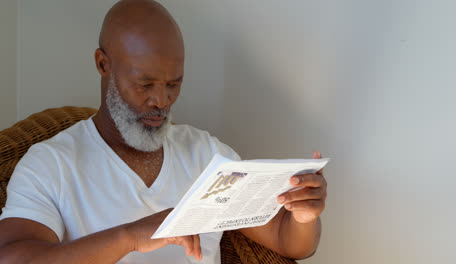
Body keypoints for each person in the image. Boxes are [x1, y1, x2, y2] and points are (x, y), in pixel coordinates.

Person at [0, 0, 327, 263]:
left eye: (174, 84)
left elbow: (288, 242)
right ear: (103, 64)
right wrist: (130, 237)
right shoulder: (50, 164)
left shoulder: (206, 155)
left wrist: (303, 215)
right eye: (145, 84)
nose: (161, 100)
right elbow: (14, 257)